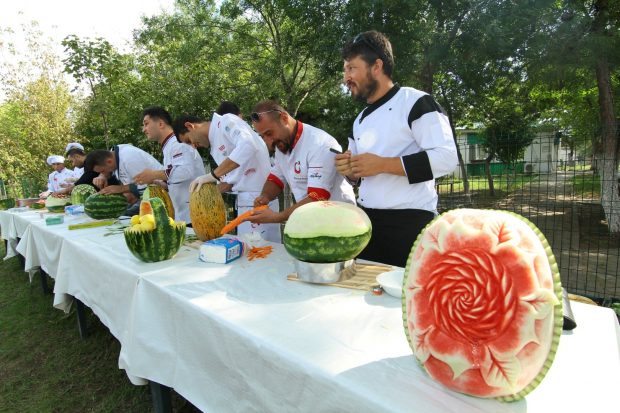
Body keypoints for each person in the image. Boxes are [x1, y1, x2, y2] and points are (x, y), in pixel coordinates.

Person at [336, 30, 458, 267]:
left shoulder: (416, 102)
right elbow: (357, 176)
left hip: (410, 225)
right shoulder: (359, 120)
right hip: (367, 223)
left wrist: (382, 164)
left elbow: (446, 158)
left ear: (376, 66)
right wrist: (349, 169)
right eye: (345, 70)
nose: (346, 78)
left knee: (403, 301)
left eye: (351, 68)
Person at [173, 113, 281, 242]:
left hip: (260, 200)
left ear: (190, 126)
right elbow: (230, 180)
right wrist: (201, 197)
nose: (193, 145)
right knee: (249, 253)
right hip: (244, 204)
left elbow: (248, 144)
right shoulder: (215, 147)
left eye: (188, 140)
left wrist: (212, 175)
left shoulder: (225, 121)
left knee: (263, 253)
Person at [248, 100, 355, 225]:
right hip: (311, 220)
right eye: (263, 136)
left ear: (284, 118)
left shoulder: (320, 144)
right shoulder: (281, 145)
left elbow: (317, 196)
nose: (268, 142)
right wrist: (265, 196)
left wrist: (276, 217)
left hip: (340, 222)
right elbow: (276, 178)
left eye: (269, 133)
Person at [135, 107, 205, 224]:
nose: (144, 129)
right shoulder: (169, 146)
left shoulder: (177, 144)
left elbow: (184, 172)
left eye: (146, 124)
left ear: (161, 124)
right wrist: (160, 183)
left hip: (195, 216)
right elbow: (178, 181)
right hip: (186, 216)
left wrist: (153, 175)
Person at [85, 146, 164, 214]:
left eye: (102, 171)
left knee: (123, 216)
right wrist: (102, 176)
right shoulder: (114, 154)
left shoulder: (129, 159)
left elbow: (146, 188)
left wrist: (120, 189)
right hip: (144, 198)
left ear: (109, 161)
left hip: (160, 197)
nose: (103, 173)